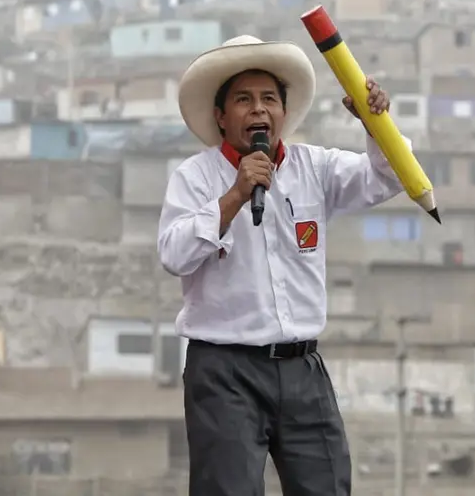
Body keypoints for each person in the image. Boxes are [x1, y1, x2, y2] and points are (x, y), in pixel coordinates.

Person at [158, 35, 406, 496]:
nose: (258, 110)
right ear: (220, 116)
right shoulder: (194, 178)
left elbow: (387, 177)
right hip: (224, 371)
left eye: (269, 98)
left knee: (328, 487)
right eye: (244, 100)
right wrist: (234, 196)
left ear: (284, 113)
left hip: (302, 368)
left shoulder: (317, 168)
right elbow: (173, 254)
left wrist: (376, 126)